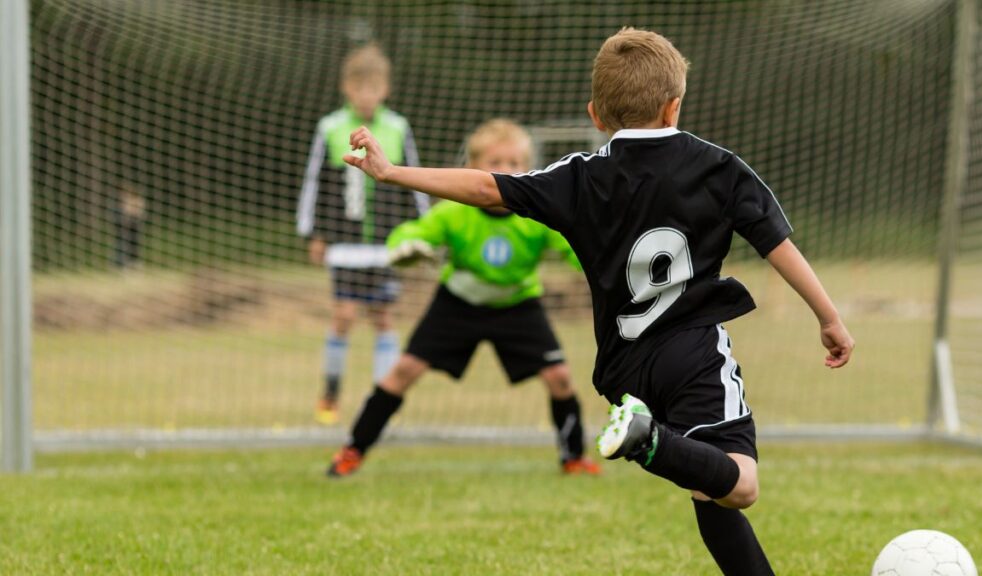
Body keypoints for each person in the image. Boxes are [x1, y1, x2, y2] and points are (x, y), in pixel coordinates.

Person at [341, 28, 855, 576]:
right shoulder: (719, 167)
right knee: (742, 483)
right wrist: (829, 318)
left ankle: (647, 437)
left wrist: (392, 172)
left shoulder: (579, 177)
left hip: (623, 364)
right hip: (693, 353)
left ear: (594, 113)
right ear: (674, 105)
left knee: (711, 489)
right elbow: (777, 245)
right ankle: (648, 440)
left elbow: (488, 187)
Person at [326, 119, 601, 478]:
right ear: (473, 168)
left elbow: (577, 249)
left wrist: (601, 264)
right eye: (496, 162)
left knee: (560, 377)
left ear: (528, 167)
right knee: (403, 371)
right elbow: (410, 234)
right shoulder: (455, 210)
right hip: (458, 303)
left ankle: (573, 458)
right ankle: (352, 451)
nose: (506, 171)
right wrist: (405, 248)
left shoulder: (537, 214)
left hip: (517, 305)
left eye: (515, 163)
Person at [296, 43, 429, 425]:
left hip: (385, 246)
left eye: (374, 88)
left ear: (385, 89)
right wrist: (314, 234)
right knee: (344, 315)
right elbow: (314, 182)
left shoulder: (398, 128)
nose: (367, 96)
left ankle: (380, 400)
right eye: (359, 88)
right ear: (347, 89)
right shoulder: (330, 128)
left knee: (384, 317)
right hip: (344, 244)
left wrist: (419, 232)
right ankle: (331, 393)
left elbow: (414, 179)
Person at [112, 183, 146, 269]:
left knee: (134, 244)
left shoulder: (136, 200)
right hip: (122, 225)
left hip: (134, 225)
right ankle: (120, 263)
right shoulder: (120, 201)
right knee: (121, 244)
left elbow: (138, 212)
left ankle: (134, 263)